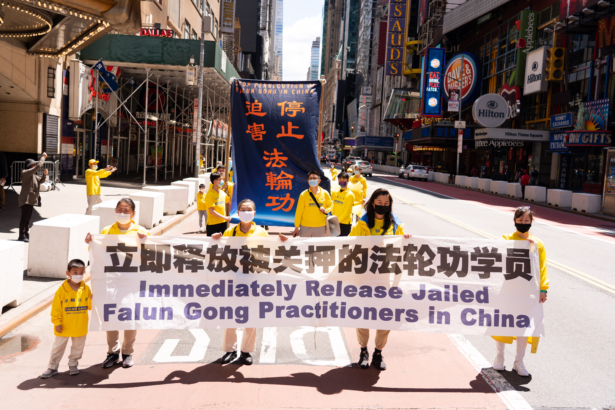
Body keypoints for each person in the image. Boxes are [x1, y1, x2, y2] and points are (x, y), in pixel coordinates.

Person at [211, 199, 289, 365]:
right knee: (231, 316)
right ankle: (230, 350)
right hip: (234, 279)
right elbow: (219, 253)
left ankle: (246, 352)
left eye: (249, 209)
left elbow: (271, 253)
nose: (246, 212)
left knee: (250, 317)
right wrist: (214, 240)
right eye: (243, 209)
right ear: (237, 213)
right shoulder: (230, 232)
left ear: (254, 213)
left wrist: (282, 243)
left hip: (254, 280)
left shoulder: (261, 232)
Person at [349, 188, 411, 370]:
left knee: (384, 316)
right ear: (372, 203)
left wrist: (405, 238)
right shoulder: (361, 224)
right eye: (379, 203)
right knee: (363, 315)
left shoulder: (395, 225)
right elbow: (348, 245)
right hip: (364, 276)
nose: (382, 206)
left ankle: (378, 352)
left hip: (385, 277)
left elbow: (401, 246)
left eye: (386, 204)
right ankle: (363, 351)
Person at [85, 198, 149, 369]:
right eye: (119, 209)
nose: (122, 213)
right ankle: (112, 352)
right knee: (111, 316)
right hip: (111, 282)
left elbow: (151, 256)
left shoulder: (141, 231)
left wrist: (146, 242)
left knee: (130, 318)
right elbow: (98, 253)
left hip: (132, 283)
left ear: (133, 213)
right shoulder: (107, 230)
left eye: (126, 210)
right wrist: (90, 243)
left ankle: (128, 352)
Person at [492, 206, 548, 377]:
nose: (523, 223)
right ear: (514, 221)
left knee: (523, 326)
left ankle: (519, 361)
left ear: (531, 222)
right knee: (503, 324)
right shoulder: (506, 238)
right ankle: (499, 357)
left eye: (526, 221)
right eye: (520, 220)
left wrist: (543, 289)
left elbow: (542, 268)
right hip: (508, 290)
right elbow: (498, 255)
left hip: (527, 293)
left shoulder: (538, 244)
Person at [40, 259, 92, 379]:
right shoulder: (62, 290)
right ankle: (52, 367)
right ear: (68, 273)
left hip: (80, 325)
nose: (79, 275)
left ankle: (73, 364)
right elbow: (56, 309)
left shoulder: (86, 289)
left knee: (78, 347)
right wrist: (57, 322)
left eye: (81, 272)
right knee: (58, 347)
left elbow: (89, 306)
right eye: (75, 272)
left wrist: (92, 300)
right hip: (64, 325)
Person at [293, 170, 332, 238]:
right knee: (304, 247)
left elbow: (331, 205)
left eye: (314, 178)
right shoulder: (303, 194)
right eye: (310, 178)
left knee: (319, 247)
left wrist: (326, 210)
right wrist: (296, 227)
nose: (312, 180)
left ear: (319, 181)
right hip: (305, 226)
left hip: (320, 226)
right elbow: (299, 212)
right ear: (308, 181)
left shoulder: (325, 193)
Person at [18, 154, 48, 242]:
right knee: (24, 218)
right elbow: (39, 165)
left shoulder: (33, 175)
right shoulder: (26, 173)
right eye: (33, 164)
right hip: (25, 200)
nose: (35, 166)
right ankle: (21, 235)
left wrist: (44, 175)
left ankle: (26, 233)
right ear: (30, 166)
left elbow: (41, 180)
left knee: (28, 218)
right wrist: (43, 157)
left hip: (31, 200)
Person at [206, 172, 231, 236]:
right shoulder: (209, 194)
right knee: (212, 245)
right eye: (220, 179)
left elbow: (230, 201)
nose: (222, 181)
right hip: (213, 224)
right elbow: (211, 211)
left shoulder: (222, 193)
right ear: (215, 181)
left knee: (222, 244)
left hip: (223, 223)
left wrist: (232, 189)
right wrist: (224, 217)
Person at [331, 172, 355, 236]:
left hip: (345, 223)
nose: (342, 181)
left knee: (343, 243)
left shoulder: (350, 195)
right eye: (340, 179)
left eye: (344, 179)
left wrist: (336, 221)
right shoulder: (335, 193)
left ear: (348, 181)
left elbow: (347, 212)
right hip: (335, 222)